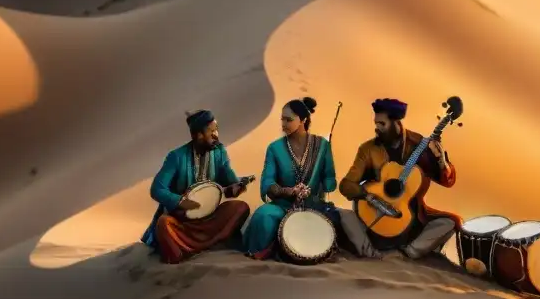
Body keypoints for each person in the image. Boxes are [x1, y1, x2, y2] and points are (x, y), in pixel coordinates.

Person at [337, 98, 461, 259]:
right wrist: (369, 196)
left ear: (396, 122)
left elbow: (447, 181)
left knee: (451, 222)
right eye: (376, 123)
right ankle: (370, 253)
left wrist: (441, 161)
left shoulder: (419, 145)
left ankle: (407, 253)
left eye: (382, 124)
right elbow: (346, 185)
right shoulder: (369, 149)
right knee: (344, 215)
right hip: (372, 214)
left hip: (409, 218)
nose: (377, 128)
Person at [141, 109, 252, 263]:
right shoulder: (176, 157)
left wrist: (236, 187)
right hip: (182, 220)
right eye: (211, 131)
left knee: (240, 208)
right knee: (164, 224)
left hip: (209, 217)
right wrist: (180, 201)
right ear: (198, 135)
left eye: (217, 130)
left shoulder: (219, 152)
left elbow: (230, 180)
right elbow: (157, 189)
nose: (216, 135)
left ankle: (205, 245)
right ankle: (191, 249)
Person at [242, 97, 338, 259]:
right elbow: (267, 183)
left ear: (303, 120)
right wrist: (289, 191)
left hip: (312, 206)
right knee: (264, 216)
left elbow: (331, 181)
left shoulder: (322, 146)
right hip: (282, 206)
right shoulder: (275, 148)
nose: (283, 124)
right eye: (282, 119)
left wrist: (325, 183)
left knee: (335, 221)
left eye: (289, 120)